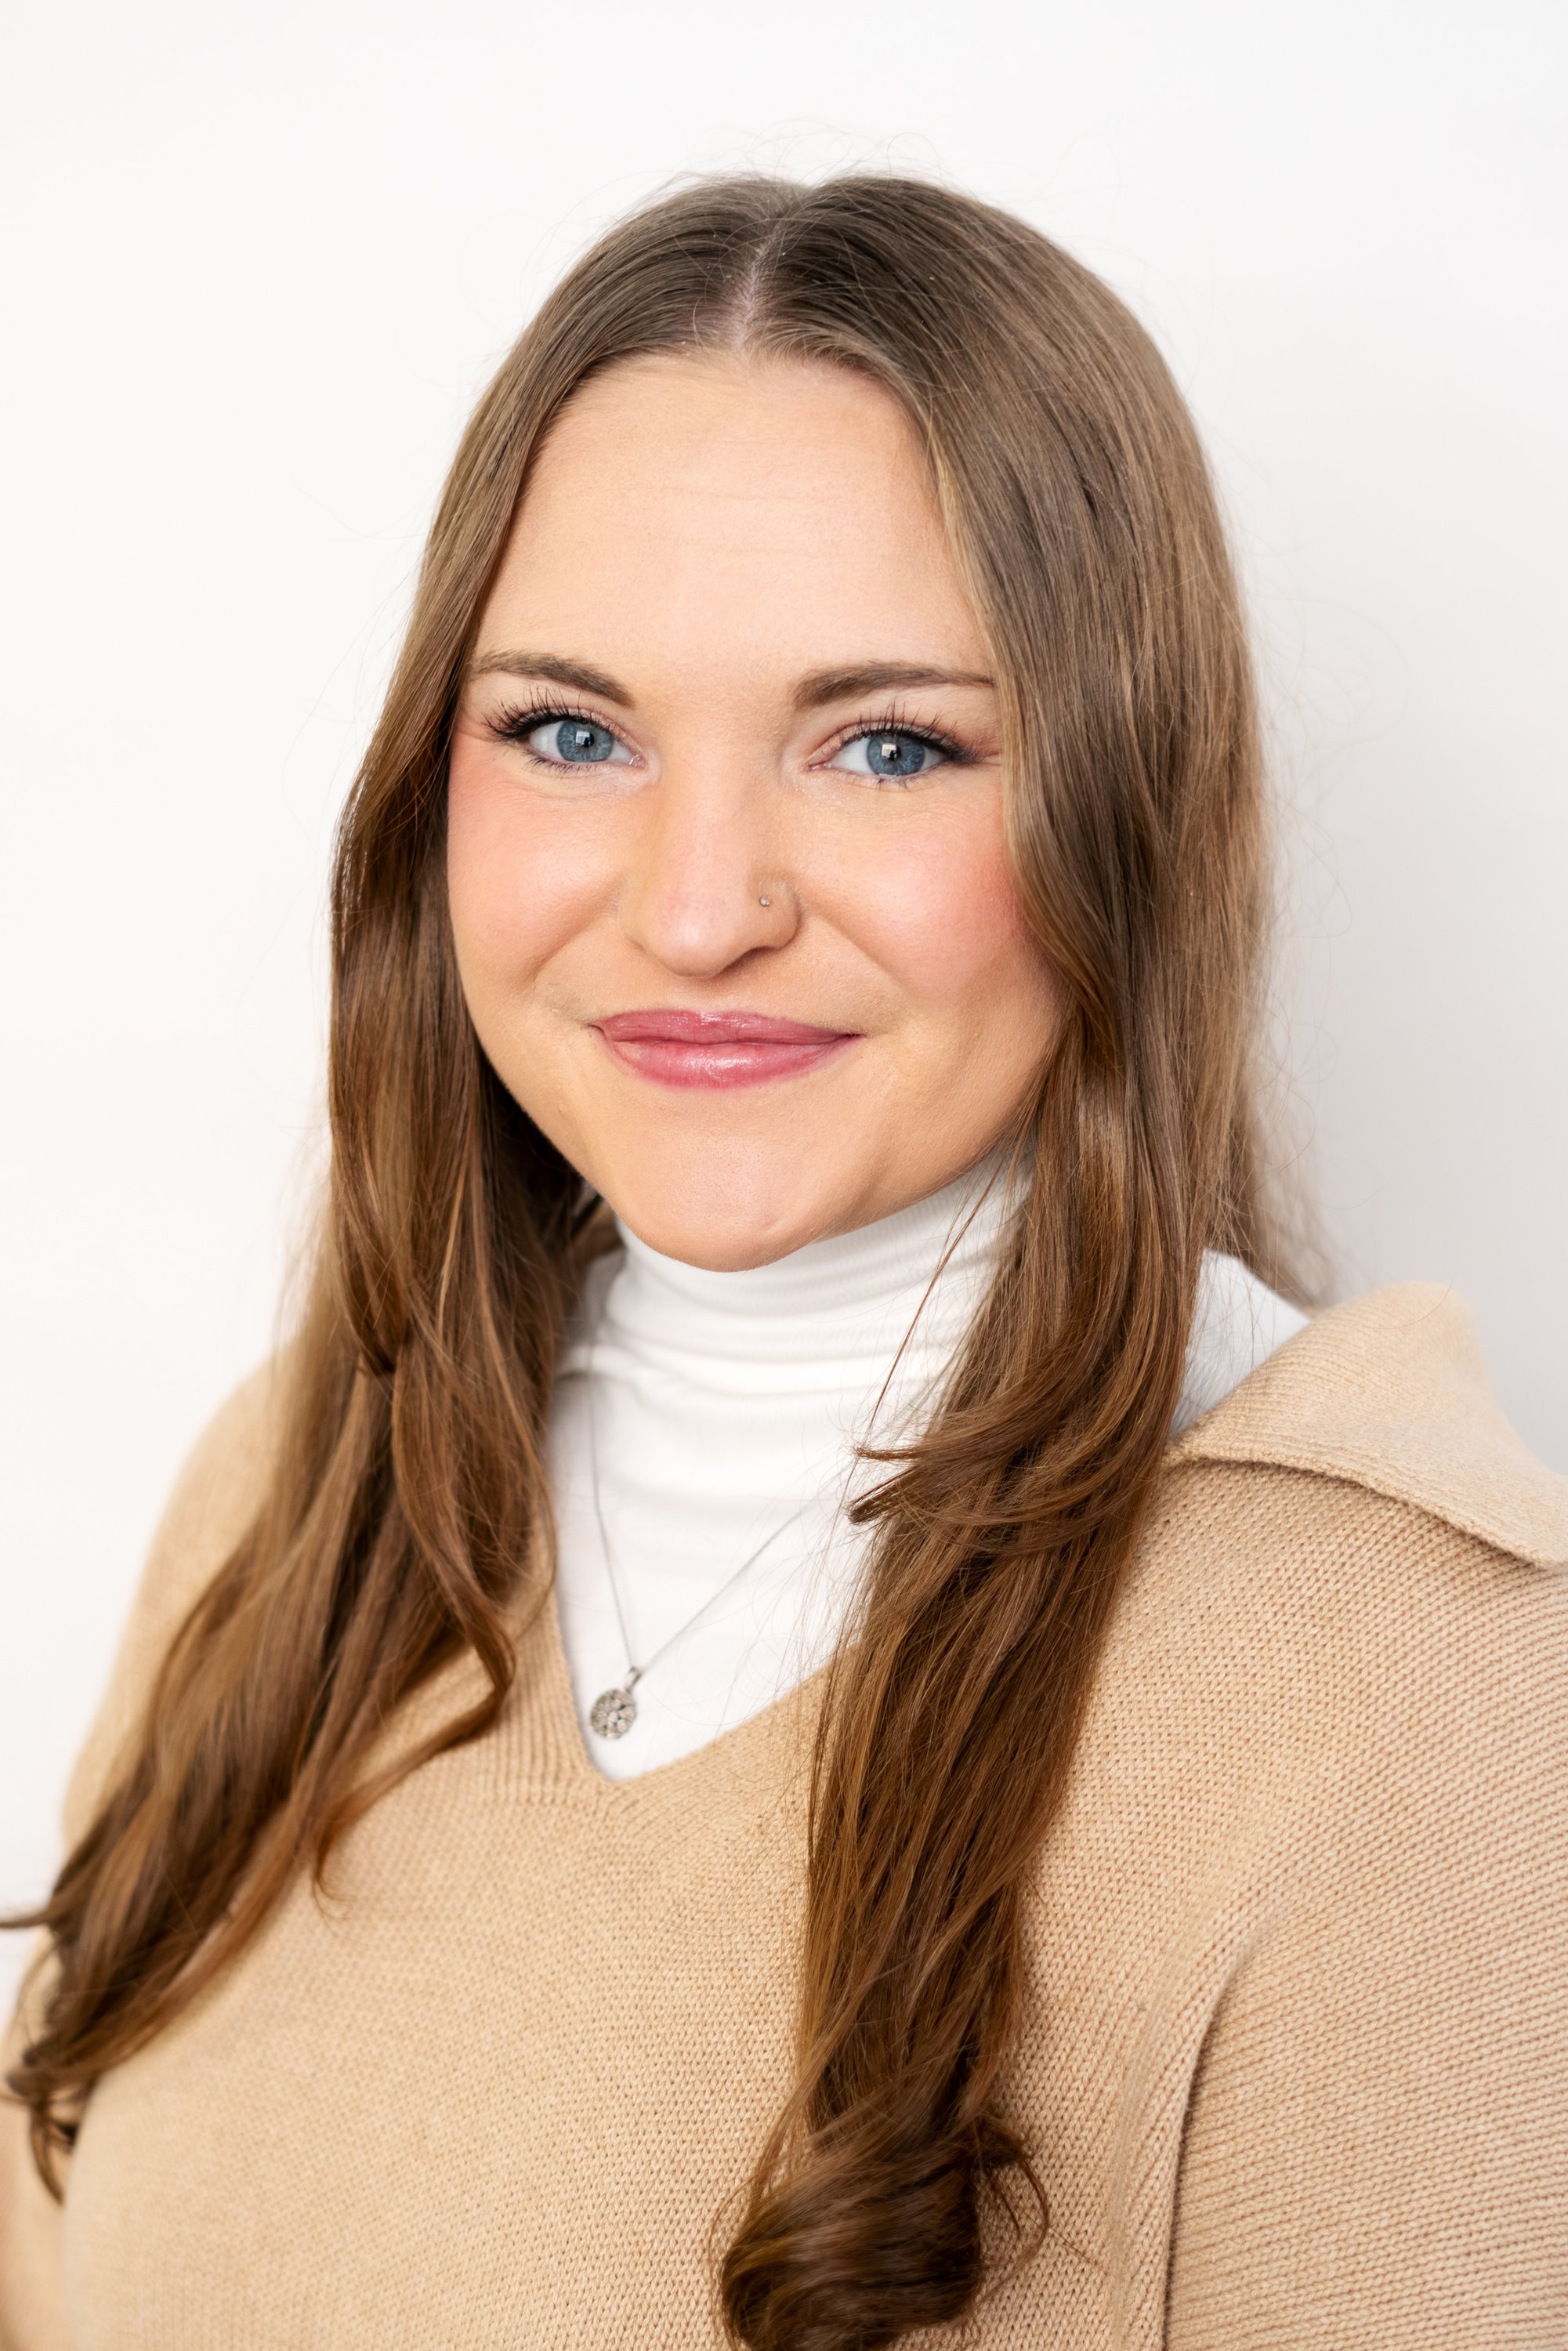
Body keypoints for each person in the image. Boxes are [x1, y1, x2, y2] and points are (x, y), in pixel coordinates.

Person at [2, 174, 1564, 2351]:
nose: (696, 906)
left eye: (885, 744)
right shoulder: (300, 1487)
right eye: (571, 732)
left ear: (1123, 810)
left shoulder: (1429, 1692)